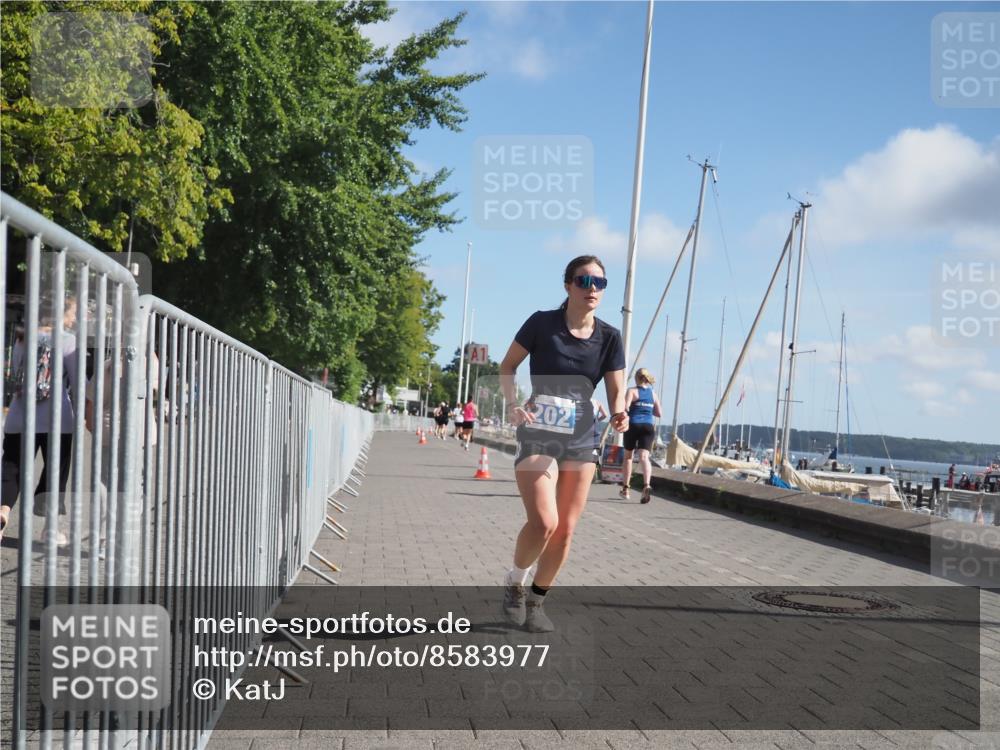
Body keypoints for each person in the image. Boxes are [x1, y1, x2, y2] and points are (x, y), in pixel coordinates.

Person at [498, 255, 627, 632]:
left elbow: (616, 389)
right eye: (584, 281)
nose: (592, 289)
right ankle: (515, 581)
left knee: (566, 529)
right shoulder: (542, 323)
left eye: (599, 283)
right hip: (539, 429)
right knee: (544, 522)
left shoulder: (609, 337)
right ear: (568, 284)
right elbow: (508, 366)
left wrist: (619, 412)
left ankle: (537, 603)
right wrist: (512, 405)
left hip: (581, 434)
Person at [1, 297, 79, 545]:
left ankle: (2, 512)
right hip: (57, 420)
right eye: (72, 313)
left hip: (19, 415)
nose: (74, 319)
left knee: (12, 469)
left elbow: (15, 373)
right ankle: (50, 529)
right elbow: (78, 383)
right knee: (56, 471)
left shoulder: (23, 338)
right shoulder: (67, 341)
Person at [619, 368, 662, 504]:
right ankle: (646, 485)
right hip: (648, 427)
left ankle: (626, 489)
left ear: (636, 378)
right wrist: (647, 408)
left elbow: (625, 408)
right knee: (644, 457)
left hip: (633, 425)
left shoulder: (632, 391)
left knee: (628, 457)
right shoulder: (653, 393)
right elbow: (659, 413)